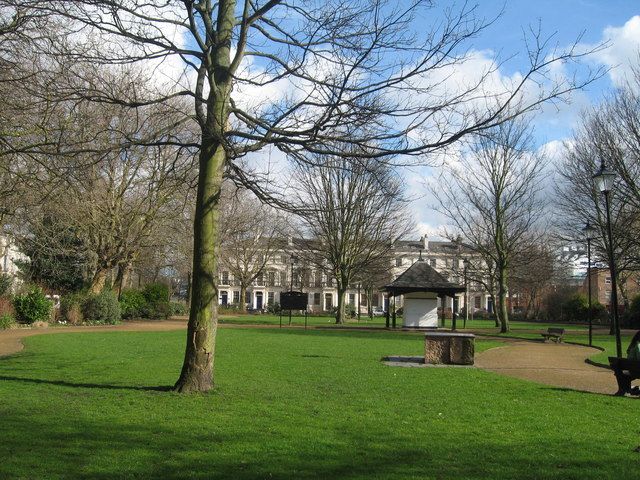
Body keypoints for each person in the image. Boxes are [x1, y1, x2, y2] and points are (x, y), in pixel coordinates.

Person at [613, 331, 640, 396]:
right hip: (636, 372)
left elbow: (629, 353)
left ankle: (623, 390)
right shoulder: (638, 345)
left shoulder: (632, 345)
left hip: (631, 370)